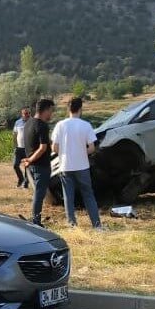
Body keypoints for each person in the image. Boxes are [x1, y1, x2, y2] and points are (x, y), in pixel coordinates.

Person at [51, 96, 102, 230]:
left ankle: (72, 225)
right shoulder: (86, 125)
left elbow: (54, 148)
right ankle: (96, 225)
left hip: (65, 166)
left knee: (68, 196)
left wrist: (65, 151)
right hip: (82, 166)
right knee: (88, 195)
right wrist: (81, 151)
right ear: (80, 109)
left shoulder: (60, 125)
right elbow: (91, 148)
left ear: (68, 109)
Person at [22, 98, 55, 226]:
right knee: (39, 194)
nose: (51, 114)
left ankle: (36, 218)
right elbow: (42, 148)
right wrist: (31, 159)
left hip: (32, 165)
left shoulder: (28, 123)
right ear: (45, 110)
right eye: (51, 111)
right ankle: (36, 221)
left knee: (38, 193)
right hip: (40, 165)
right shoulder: (42, 125)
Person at [12, 106, 31, 188]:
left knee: (27, 167)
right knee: (15, 165)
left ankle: (26, 183)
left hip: (28, 149)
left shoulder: (33, 122)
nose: (27, 115)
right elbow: (14, 135)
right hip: (19, 148)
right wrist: (15, 146)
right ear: (22, 114)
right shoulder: (17, 122)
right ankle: (21, 179)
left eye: (28, 113)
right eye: (25, 113)